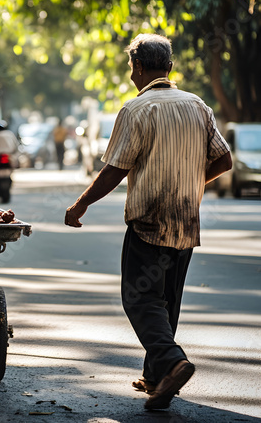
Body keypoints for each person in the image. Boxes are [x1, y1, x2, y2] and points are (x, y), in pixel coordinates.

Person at [64, 33, 232, 411]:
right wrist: (190, 182)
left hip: (149, 221)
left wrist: (80, 205)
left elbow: (114, 170)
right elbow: (224, 162)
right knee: (167, 300)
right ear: (169, 68)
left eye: (131, 68)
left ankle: (173, 362)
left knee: (140, 297)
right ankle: (158, 378)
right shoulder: (198, 106)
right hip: (187, 221)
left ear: (138, 68)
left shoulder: (136, 110)